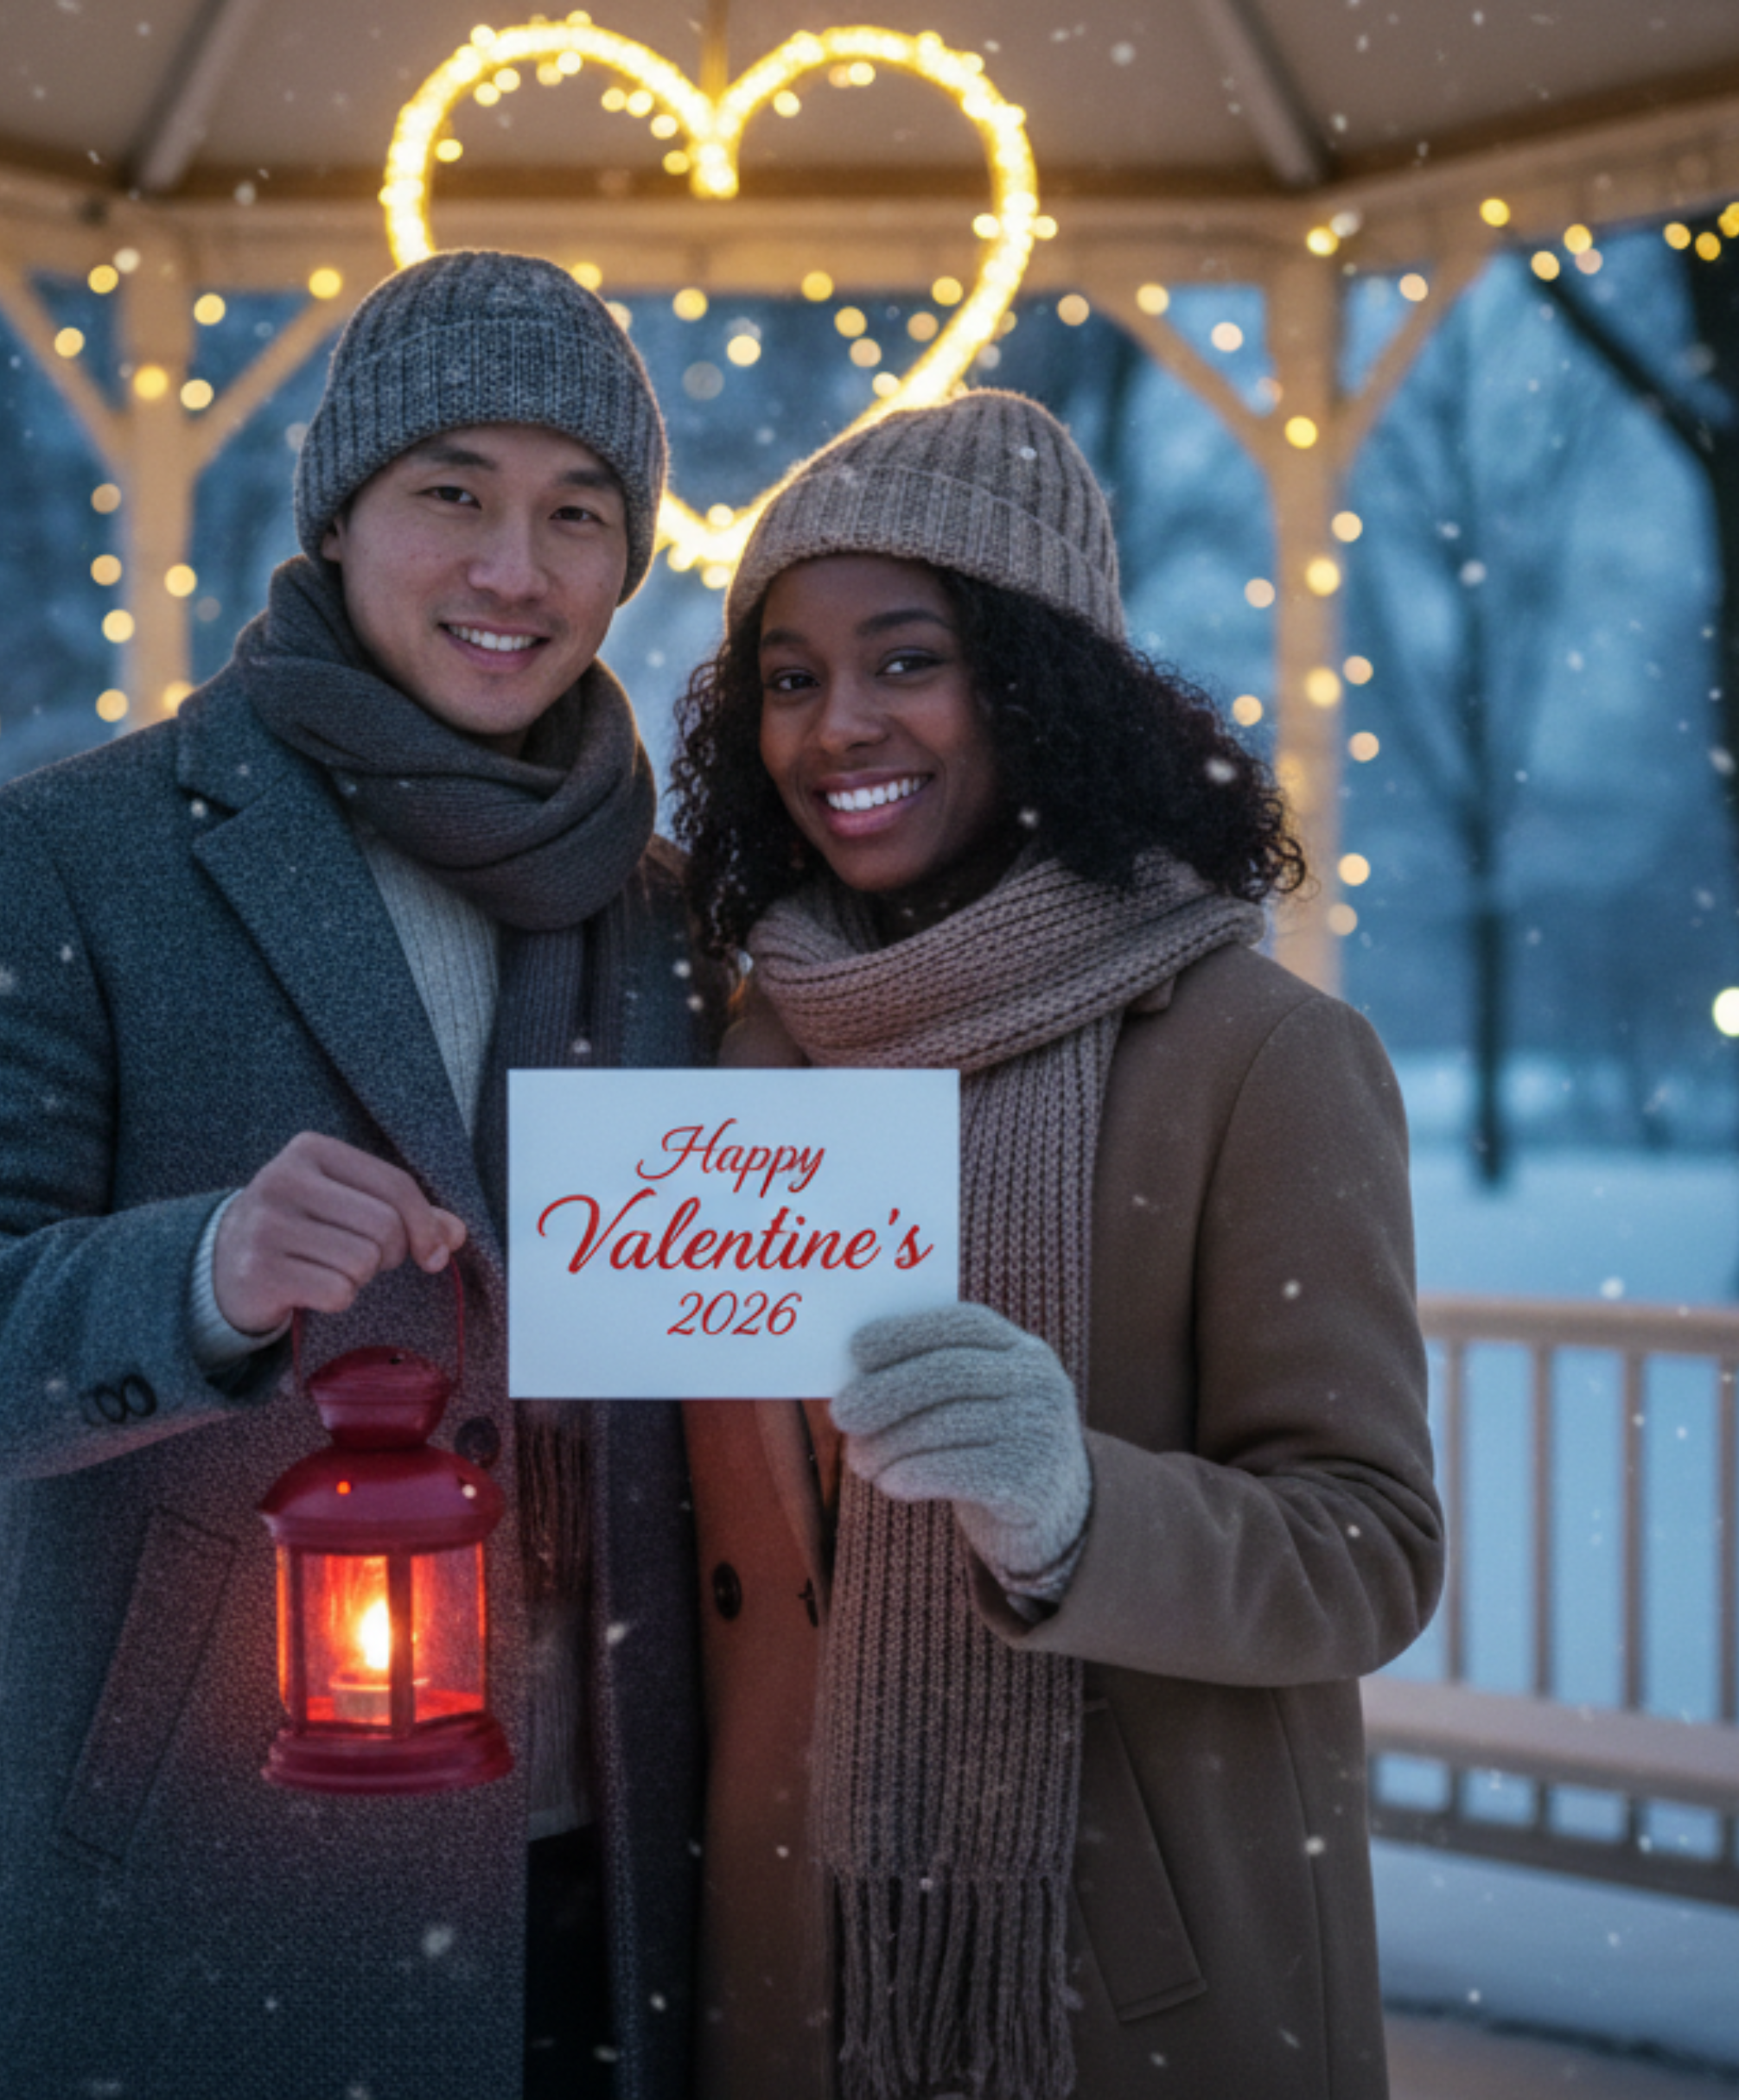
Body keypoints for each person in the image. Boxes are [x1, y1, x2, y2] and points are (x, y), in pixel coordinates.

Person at [0, 249, 714, 2100]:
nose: (512, 571)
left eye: (577, 515)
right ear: (341, 511)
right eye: (451, 493)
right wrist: (196, 1274)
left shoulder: (672, 915)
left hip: (607, 1871)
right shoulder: (76, 859)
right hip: (212, 1883)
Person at [666, 390, 1443, 2100]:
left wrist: (1073, 1508)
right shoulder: (748, 1053)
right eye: (788, 678)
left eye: (906, 660)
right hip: (796, 1955)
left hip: (1120, 1978)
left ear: (1041, 682)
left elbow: (1371, 1552)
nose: (836, 726)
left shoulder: (1262, 1057)